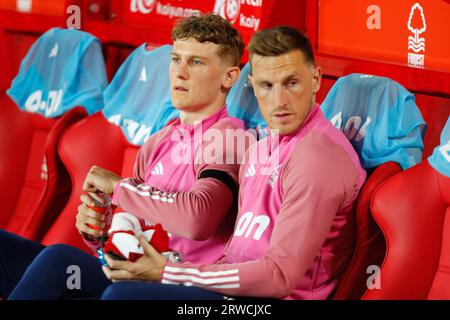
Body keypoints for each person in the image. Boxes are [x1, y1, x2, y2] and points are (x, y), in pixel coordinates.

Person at [97, 26, 367, 300]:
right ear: (252, 85)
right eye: (266, 85)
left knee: (122, 297)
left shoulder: (318, 156)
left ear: (316, 79)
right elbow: (235, 254)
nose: (279, 100)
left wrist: (170, 273)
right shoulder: (259, 149)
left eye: (292, 83)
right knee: (69, 265)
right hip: (228, 295)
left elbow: (279, 277)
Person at [2, 13, 249, 299]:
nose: (180, 72)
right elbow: (128, 228)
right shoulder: (161, 138)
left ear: (229, 76)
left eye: (196, 62)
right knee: (35, 256)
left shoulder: (228, 137)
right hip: (130, 274)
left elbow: (197, 220)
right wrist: (99, 230)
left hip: (181, 287)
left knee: (64, 265)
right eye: (175, 59)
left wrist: (120, 188)